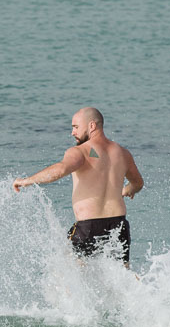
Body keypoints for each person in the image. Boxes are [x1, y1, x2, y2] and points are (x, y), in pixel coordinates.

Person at [13, 107, 144, 266]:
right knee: (123, 277)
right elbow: (137, 183)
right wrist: (126, 190)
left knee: (63, 273)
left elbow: (61, 169)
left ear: (92, 126)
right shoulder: (123, 153)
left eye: (75, 127)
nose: (72, 132)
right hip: (119, 225)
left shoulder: (80, 151)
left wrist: (27, 181)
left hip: (88, 227)